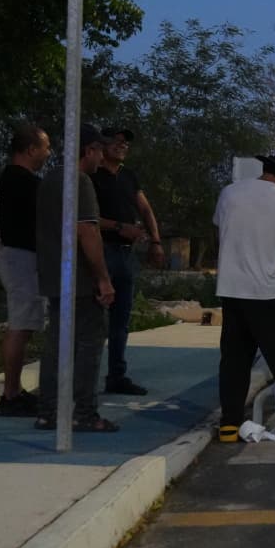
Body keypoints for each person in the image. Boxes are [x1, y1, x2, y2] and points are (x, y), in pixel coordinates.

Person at [213, 147, 275, 443]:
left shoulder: (229, 193)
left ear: (266, 168)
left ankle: (229, 425)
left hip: (231, 290)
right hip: (266, 292)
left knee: (234, 358)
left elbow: (219, 233)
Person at [35, 125, 118, 432]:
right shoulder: (79, 182)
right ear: (88, 150)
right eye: (99, 150)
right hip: (81, 281)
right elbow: (88, 231)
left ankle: (48, 411)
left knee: (56, 344)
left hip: (54, 276)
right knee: (89, 344)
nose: (102, 156)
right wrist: (103, 279)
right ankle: (84, 413)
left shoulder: (49, 181)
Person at [92, 126, 165, 396]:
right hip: (101, 250)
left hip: (125, 254)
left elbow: (144, 208)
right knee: (95, 317)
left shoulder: (129, 177)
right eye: (117, 141)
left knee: (120, 319)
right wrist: (120, 227)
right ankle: (83, 378)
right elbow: (87, 218)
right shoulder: (91, 176)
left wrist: (155, 241)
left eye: (126, 143)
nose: (122, 146)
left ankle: (116, 375)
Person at [0, 123, 52, 416]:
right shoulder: (20, 180)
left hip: (25, 258)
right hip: (20, 258)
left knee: (25, 325)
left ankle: (14, 391)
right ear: (31, 149)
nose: (48, 152)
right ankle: (11, 395)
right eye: (45, 147)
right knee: (20, 324)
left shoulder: (20, 179)